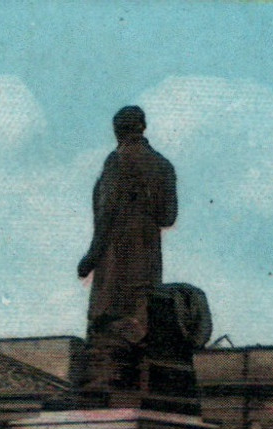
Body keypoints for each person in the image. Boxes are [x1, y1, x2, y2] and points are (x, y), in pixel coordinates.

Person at [77, 104, 178, 396]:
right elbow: (168, 216)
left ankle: (103, 382)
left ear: (117, 130)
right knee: (141, 317)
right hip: (147, 253)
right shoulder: (164, 165)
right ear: (143, 127)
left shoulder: (117, 160)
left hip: (117, 253)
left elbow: (107, 212)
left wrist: (91, 258)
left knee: (107, 320)